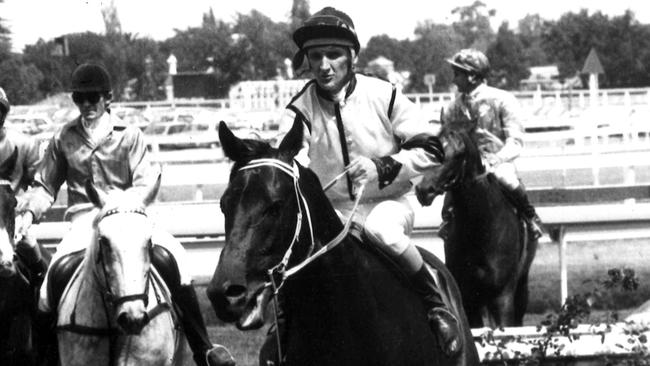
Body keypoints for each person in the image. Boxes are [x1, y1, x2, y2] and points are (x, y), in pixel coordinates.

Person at [264, 7, 461, 363]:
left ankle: (435, 305)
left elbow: (433, 147)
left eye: (334, 54)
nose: (324, 65)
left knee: (380, 230)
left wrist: (382, 167)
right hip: (333, 213)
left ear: (352, 56)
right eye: (315, 56)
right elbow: (291, 161)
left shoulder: (383, 94)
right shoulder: (298, 111)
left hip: (387, 204)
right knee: (299, 254)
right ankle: (281, 328)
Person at [15, 63, 235, 366]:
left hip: (128, 215)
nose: (87, 105)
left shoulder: (130, 136)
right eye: (80, 99)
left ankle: (204, 348)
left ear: (108, 98)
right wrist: (27, 214)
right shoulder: (63, 137)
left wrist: (124, 206)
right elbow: (44, 185)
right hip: (83, 219)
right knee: (50, 283)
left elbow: (145, 180)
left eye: (93, 98)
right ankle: (44, 357)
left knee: (176, 258)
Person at [427, 48, 544, 240]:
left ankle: (530, 218)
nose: (454, 80)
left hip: (497, 162)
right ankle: (447, 223)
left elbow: (515, 141)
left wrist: (497, 159)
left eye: (458, 74)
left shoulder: (503, 99)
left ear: (472, 76)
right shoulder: (452, 107)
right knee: (449, 193)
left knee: (507, 179)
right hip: (465, 166)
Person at [0, 86, 47, 283]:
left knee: (27, 242)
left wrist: (23, 205)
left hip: (12, 215)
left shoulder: (25, 143)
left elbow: (39, 185)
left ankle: (41, 283)